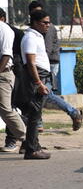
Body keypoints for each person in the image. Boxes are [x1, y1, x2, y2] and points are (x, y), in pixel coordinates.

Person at [28, 1, 83, 132]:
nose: (45, 23)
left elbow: (44, 51)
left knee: (45, 94)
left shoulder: (48, 28)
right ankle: (39, 122)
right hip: (42, 65)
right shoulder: (33, 30)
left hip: (49, 64)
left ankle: (73, 112)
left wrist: (37, 65)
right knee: (41, 94)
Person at [20, 10, 52, 159]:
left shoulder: (37, 37)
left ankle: (33, 145)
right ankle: (31, 149)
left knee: (35, 114)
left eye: (48, 22)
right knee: (34, 114)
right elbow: (31, 63)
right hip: (36, 79)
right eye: (44, 22)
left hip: (41, 76)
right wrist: (38, 83)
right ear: (35, 22)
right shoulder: (30, 38)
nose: (48, 25)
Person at [0, 8, 26, 153]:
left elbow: (6, 55)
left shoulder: (4, 30)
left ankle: (27, 137)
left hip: (3, 75)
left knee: (6, 109)